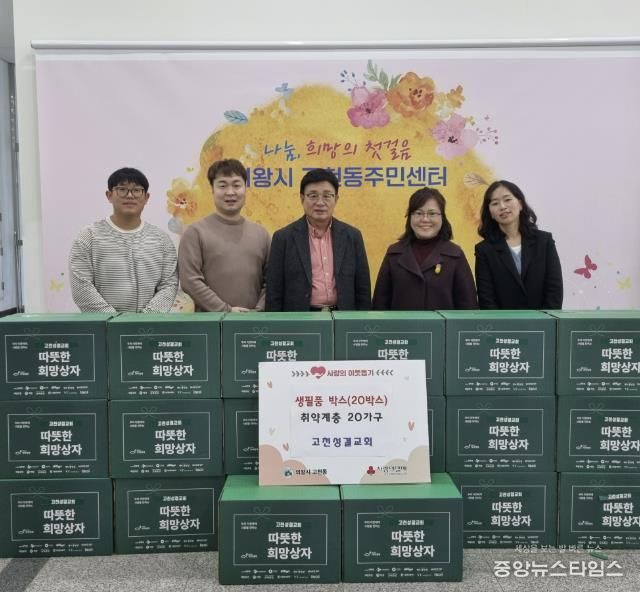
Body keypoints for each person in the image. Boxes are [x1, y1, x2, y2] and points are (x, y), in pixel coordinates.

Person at [69, 167, 178, 313]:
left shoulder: (161, 239)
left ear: (146, 197)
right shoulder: (89, 236)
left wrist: (147, 319)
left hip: (149, 324)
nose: (130, 195)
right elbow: (81, 287)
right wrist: (115, 321)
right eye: (122, 189)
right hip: (104, 325)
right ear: (109, 195)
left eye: (137, 190)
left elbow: (169, 285)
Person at [266, 168, 371, 311]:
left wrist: (362, 321)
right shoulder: (283, 238)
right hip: (299, 318)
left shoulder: (352, 236)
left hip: (343, 316)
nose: (320, 202)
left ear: (336, 199)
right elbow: (274, 292)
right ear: (302, 199)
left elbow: (363, 290)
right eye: (313, 196)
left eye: (327, 196)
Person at [178, 158, 270, 312]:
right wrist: (225, 310)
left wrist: (258, 310)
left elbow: (271, 281)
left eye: (236, 185)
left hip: (253, 321)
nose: (230, 192)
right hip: (210, 323)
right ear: (212, 190)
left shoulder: (261, 234)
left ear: (245, 188)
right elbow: (190, 281)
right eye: (222, 186)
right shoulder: (195, 232)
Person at [372, 188, 477, 310]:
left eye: (432, 213)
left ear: (442, 217)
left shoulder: (455, 254)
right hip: (401, 323)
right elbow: (380, 304)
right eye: (418, 213)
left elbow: (468, 305)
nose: (425, 219)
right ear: (410, 217)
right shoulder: (394, 253)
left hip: (443, 323)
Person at [474, 179, 563, 309]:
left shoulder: (544, 241)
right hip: (502, 321)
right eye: (495, 203)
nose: (502, 206)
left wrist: (545, 319)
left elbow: (554, 289)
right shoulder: (484, 250)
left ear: (520, 204)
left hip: (543, 320)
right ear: (490, 213)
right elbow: (486, 298)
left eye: (507, 199)